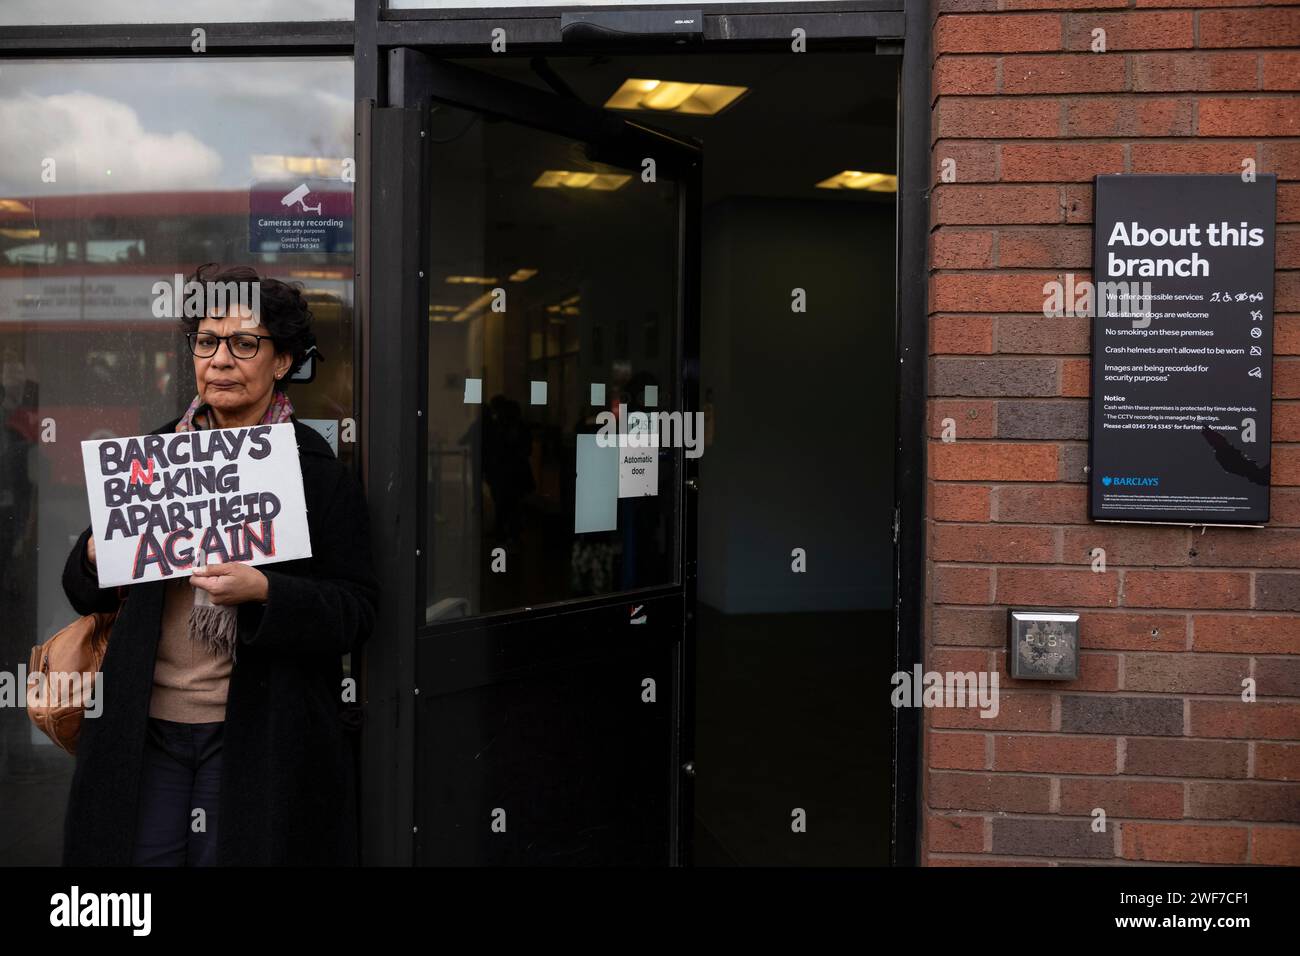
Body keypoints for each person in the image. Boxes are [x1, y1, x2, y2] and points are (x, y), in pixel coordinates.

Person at [60, 263, 378, 865]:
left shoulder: (318, 472)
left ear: (282, 361)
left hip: (254, 733)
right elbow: (85, 592)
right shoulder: (154, 456)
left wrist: (264, 591)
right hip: (143, 727)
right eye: (207, 342)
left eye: (244, 343)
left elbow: (357, 609)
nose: (221, 360)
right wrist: (92, 553)